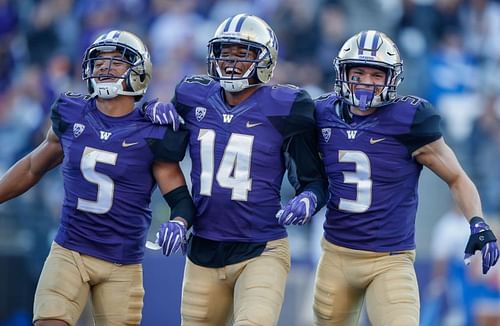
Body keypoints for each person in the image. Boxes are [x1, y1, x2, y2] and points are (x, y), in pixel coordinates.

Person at [143, 14, 327, 326]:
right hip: (202, 249)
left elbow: (314, 180)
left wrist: (307, 200)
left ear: (265, 59)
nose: (232, 62)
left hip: (261, 248)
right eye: (226, 53)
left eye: (244, 54)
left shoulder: (287, 105)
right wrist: (149, 109)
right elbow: (162, 157)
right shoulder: (192, 94)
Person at [0, 30, 195, 326]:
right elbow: (31, 167)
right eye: (100, 61)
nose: (105, 68)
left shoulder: (153, 133)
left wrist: (179, 222)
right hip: (70, 251)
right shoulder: (72, 114)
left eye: (117, 62)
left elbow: (179, 197)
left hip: (122, 262)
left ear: (139, 71)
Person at [312, 30, 499, 326]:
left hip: (389, 260)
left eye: (376, 74)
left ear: (391, 79)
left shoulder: (410, 119)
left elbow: (457, 177)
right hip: (335, 255)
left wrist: (478, 222)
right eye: (358, 72)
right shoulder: (322, 113)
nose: (366, 82)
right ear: (343, 74)